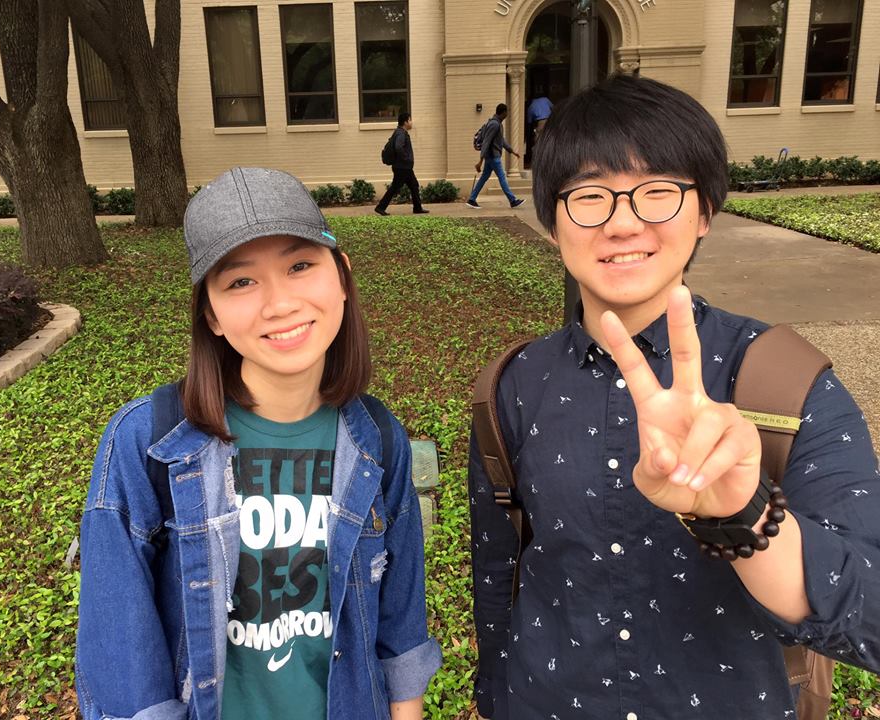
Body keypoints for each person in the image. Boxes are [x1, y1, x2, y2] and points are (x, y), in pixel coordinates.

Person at [469, 74, 880, 719]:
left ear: (706, 212)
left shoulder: (787, 382)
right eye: (590, 197)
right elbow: (499, 579)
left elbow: (870, 616)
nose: (622, 223)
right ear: (552, 224)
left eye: (658, 193)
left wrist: (745, 514)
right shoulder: (513, 385)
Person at [76, 167, 441, 720]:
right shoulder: (145, 445)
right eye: (241, 282)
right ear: (212, 315)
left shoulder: (377, 440)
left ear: (341, 275)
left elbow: (400, 627)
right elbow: (125, 670)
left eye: (300, 265)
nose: (279, 303)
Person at [466, 103, 525, 210]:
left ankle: (472, 199)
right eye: (507, 112)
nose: (507, 114)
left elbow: (501, 140)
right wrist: (480, 160)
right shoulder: (494, 124)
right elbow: (486, 142)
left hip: (491, 156)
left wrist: (512, 151)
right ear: (503, 112)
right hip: (493, 156)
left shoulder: (497, 124)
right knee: (502, 177)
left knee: (484, 177)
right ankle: (512, 200)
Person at [376, 112, 428, 216]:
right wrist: (407, 159)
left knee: (414, 185)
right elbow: (398, 147)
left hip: (404, 167)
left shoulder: (400, 132)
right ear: (405, 122)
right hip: (402, 167)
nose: (411, 122)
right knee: (395, 187)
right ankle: (380, 207)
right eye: (410, 120)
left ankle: (417, 208)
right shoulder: (401, 133)